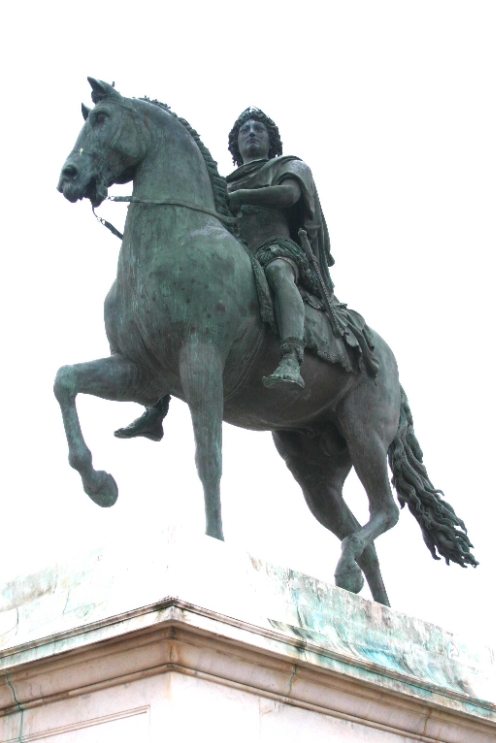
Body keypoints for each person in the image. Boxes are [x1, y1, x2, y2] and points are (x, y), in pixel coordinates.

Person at [114, 107, 333, 441]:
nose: (251, 132)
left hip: (275, 247)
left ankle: (291, 355)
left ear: (270, 139)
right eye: (243, 129)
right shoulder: (221, 184)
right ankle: (156, 403)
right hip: (234, 257)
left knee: (277, 273)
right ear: (235, 143)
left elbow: (289, 195)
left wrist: (241, 197)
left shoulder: (288, 166)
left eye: (258, 128)